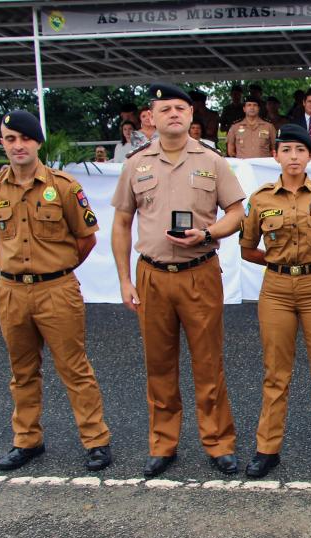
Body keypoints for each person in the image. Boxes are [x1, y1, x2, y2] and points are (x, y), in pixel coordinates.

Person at [111, 83, 244, 478]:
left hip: (199, 273)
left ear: (191, 115)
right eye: (165, 108)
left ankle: (218, 442)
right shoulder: (136, 164)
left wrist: (208, 234)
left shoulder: (212, 161)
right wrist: (123, 280)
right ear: (151, 116)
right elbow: (121, 223)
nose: (174, 114)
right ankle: (163, 443)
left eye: (180, 108)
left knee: (208, 363)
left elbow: (237, 212)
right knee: (159, 364)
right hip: (151, 275)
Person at [0, 110, 112, 472]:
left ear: (37, 142)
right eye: (10, 139)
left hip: (56, 289)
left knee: (74, 368)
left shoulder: (64, 187)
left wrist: (56, 270)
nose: (18, 146)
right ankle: (27, 440)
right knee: (21, 371)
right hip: (12, 292)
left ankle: (95, 440)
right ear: (3, 143)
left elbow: (86, 239)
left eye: (24, 138)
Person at [239, 124, 311, 479]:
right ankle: (267, 449)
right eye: (286, 150)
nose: (293, 156)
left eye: (300, 150)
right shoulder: (260, 198)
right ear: (275, 155)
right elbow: (246, 250)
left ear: (310, 156)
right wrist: (277, 265)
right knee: (275, 374)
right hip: (275, 290)